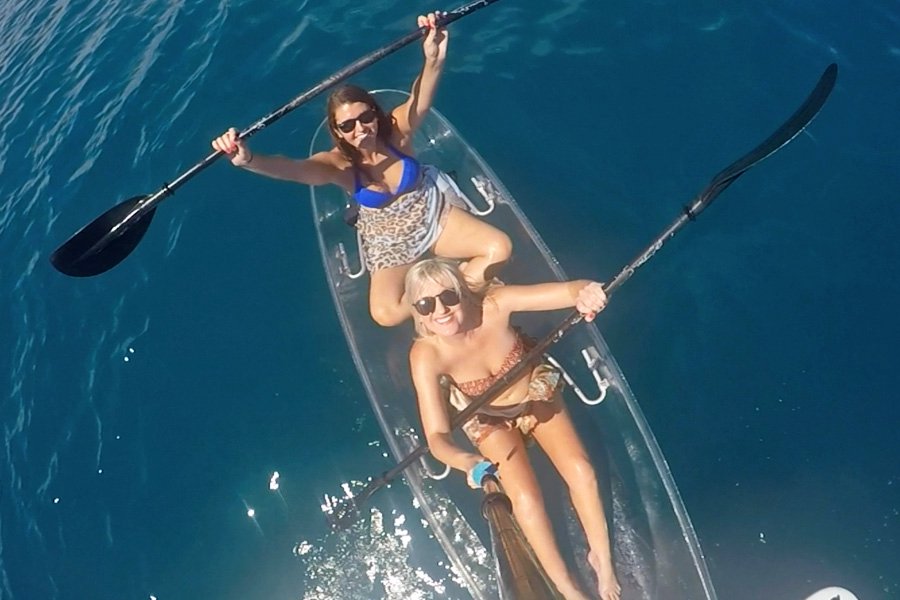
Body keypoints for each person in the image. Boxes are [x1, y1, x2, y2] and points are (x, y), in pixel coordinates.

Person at [211, 12, 511, 327]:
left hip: (432, 213)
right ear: (338, 131)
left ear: (375, 113)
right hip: (388, 240)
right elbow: (292, 168)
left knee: (499, 248)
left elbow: (419, 99)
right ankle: (443, 302)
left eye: (365, 117)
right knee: (385, 315)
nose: (361, 129)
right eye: (348, 125)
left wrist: (433, 56)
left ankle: (445, 299)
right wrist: (249, 160)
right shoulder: (337, 165)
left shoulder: (397, 132)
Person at [406, 257, 621, 600]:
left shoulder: (495, 305)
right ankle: (569, 589)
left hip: (534, 391)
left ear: (462, 293)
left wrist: (587, 293)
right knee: (525, 499)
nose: (440, 311)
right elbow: (436, 437)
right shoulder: (425, 354)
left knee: (581, 470)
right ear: (417, 311)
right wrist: (468, 462)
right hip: (489, 417)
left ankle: (602, 560)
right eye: (426, 304)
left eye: (448, 298)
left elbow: (567, 290)